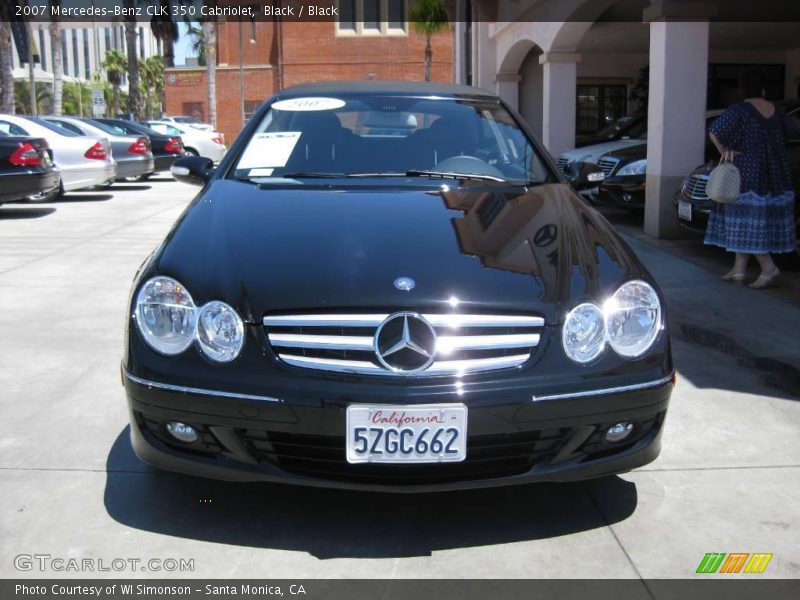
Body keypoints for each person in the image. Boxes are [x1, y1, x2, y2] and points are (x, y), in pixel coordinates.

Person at [705, 68, 800, 288]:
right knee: (752, 222)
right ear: (764, 88)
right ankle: (739, 270)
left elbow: (714, 131)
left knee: (745, 222)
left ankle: (769, 268)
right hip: (774, 173)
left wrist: (724, 151)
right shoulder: (777, 110)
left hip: (747, 173)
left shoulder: (739, 110)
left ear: (742, 89)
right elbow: (794, 130)